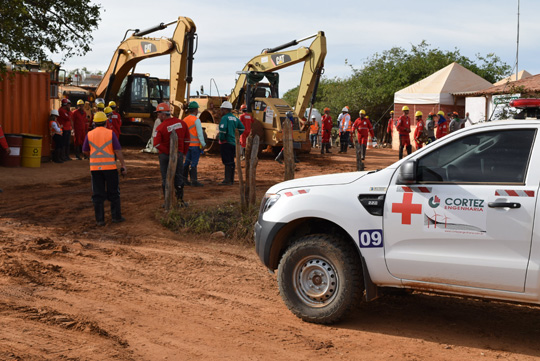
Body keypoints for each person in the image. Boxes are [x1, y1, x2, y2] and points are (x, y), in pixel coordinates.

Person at [82, 112, 127, 226]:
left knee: (97, 194)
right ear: (106, 122)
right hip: (110, 168)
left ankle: (99, 220)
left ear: (94, 123)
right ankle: (116, 217)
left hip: (95, 168)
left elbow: (85, 151)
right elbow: (117, 151)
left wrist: (92, 156)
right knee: (114, 193)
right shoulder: (111, 134)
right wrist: (123, 165)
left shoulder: (89, 134)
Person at [153, 102, 190, 204]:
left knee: (166, 178)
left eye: (158, 114)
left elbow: (156, 144)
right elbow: (187, 140)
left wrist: (168, 153)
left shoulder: (160, 128)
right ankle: (180, 201)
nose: (158, 116)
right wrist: (183, 153)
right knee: (179, 177)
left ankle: (167, 202)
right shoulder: (182, 124)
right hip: (178, 155)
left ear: (164, 114)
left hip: (164, 156)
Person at [218, 101, 244, 185]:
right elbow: (242, 128)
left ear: (225, 110)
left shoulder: (224, 118)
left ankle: (227, 180)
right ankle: (231, 179)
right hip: (233, 143)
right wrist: (235, 135)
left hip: (226, 143)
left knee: (227, 161)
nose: (221, 111)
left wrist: (222, 139)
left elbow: (222, 130)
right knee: (231, 161)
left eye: (222, 109)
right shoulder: (235, 118)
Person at [182, 101, 206, 187]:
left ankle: (184, 180)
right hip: (195, 146)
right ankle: (194, 181)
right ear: (195, 110)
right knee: (194, 163)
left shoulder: (184, 120)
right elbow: (200, 134)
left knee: (186, 162)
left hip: (187, 146)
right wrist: (203, 144)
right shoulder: (196, 120)